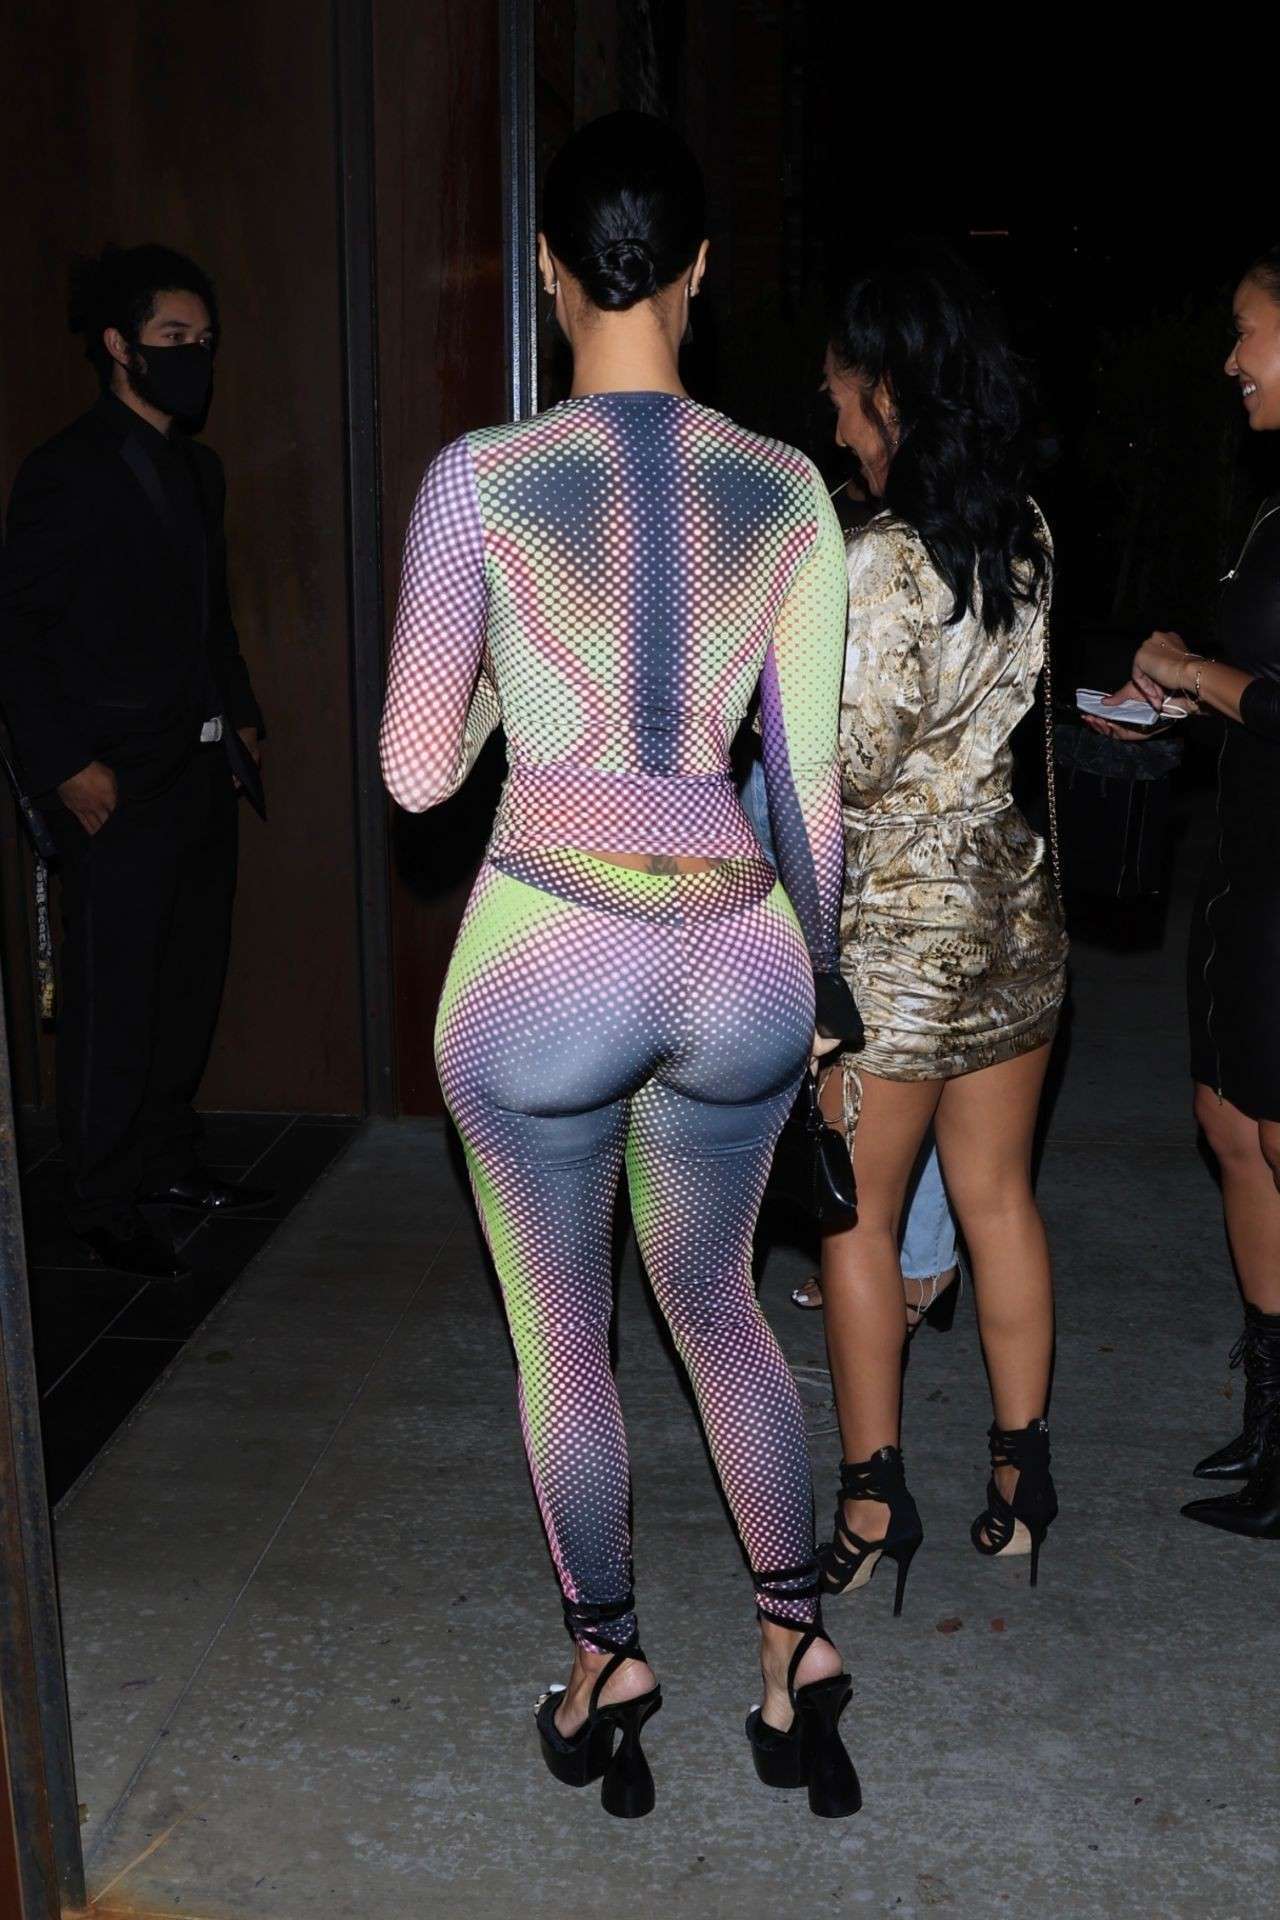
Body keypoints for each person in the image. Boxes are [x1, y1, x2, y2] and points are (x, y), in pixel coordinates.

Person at [381, 112, 862, 1820]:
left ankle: (607, 1659)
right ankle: (795, 1644)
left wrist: (507, 691)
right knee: (719, 1301)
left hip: (547, 957)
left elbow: (414, 775)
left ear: (549, 268)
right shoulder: (790, 488)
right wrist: (823, 989)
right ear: (701, 271)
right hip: (737, 951)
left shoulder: (481, 479)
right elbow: (808, 786)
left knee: (564, 1336)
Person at [814, 241, 1068, 1612]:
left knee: (855, 1221)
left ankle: (871, 1502)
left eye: (842, 399)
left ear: (890, 393)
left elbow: (855, 762)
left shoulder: (877, 563)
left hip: (899, 938)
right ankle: (1021, 1488)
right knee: (997, 1199)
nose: (835, 426)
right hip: (1011, 909)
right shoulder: (1025, 530)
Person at [0, 245, 267, 1279]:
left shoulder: (200, 470)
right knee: (112, 996)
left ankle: (165, 1160)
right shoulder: (66, 469)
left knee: (187, 980)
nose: (195, 355)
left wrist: (240, 719)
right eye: (172, 338)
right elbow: (17, 634)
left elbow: (211, 616)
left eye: (205, 340)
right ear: (119, 345)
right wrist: (63, 764)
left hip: (198, 769)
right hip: (111, 779)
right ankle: (101, 1197)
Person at [1088, 242, 1280, 1540]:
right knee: (1229, 1126)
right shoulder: (1270, 501)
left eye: (1246, 331)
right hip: (1248, 868)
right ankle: (1269, 1430)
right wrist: (1178, 692)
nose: (1229, 360)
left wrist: (1194, 674)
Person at [740, 752, 961, 1326]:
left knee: (897, 1042)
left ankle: (910, 1260)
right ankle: (902, 1259)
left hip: (901, 806)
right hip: (780, 773)